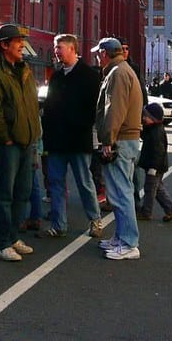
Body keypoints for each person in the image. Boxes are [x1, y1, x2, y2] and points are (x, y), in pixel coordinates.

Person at [0, 23, 41, 263]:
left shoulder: (23, 70)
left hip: (26, 141)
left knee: (21, 193)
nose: (22, 45)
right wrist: (7, 138)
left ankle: (12, 237)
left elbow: (31, 105)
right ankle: (0, 242)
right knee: (4, 194)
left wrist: (33, 134)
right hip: (9, 145)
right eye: (18, 41)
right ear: (4, 45)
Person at [38, 33, 104, 239]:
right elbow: (48, 108)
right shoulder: (57, 76)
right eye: (55, 48)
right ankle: (59, 224)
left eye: (59, 47)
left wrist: (80, 125)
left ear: (72, 49)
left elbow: (94, 109)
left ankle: (95, 220)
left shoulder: (90, 76)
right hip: (57, 141)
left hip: (77, 139)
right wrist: (47, 136)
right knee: (56, 184)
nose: (56, 52)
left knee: (84, 182)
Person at [93, 37, 143, 260]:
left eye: (99, 52)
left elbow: (115, 109)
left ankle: (129, 243)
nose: (97, 56)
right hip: (126, 138)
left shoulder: (118, 73)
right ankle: (122, 237)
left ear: (105, 53)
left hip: (120, 140)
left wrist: (107, 141)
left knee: (121, 193)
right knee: (121, 191)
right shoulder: (123, 70)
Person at [137, 102, 172, 223]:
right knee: (158, 188)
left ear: (153, 118)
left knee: (150, 189)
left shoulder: (156, 133)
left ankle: (147, 212)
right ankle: (171, 208)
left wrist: (153, 168)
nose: (143, 118)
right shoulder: (153, 129)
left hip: (155, 166)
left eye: (146, 116)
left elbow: (158, 152)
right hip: (156, 166)